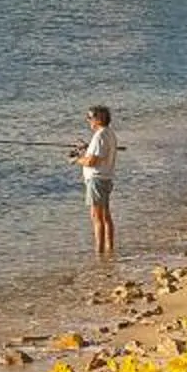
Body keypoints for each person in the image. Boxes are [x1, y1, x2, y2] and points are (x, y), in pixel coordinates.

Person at [74, 105, 117, 260]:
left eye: (90, 117)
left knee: (96, 217)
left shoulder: (100, 136)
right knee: (105, 215)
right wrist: (86, 149)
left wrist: (77, 159)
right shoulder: (108, 133)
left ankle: (99, 254)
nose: (88, 120)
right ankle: (109, 250)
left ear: (99, 119)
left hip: (97, 180)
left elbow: (92, 161)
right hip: (105, 178)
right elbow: (98, 154)